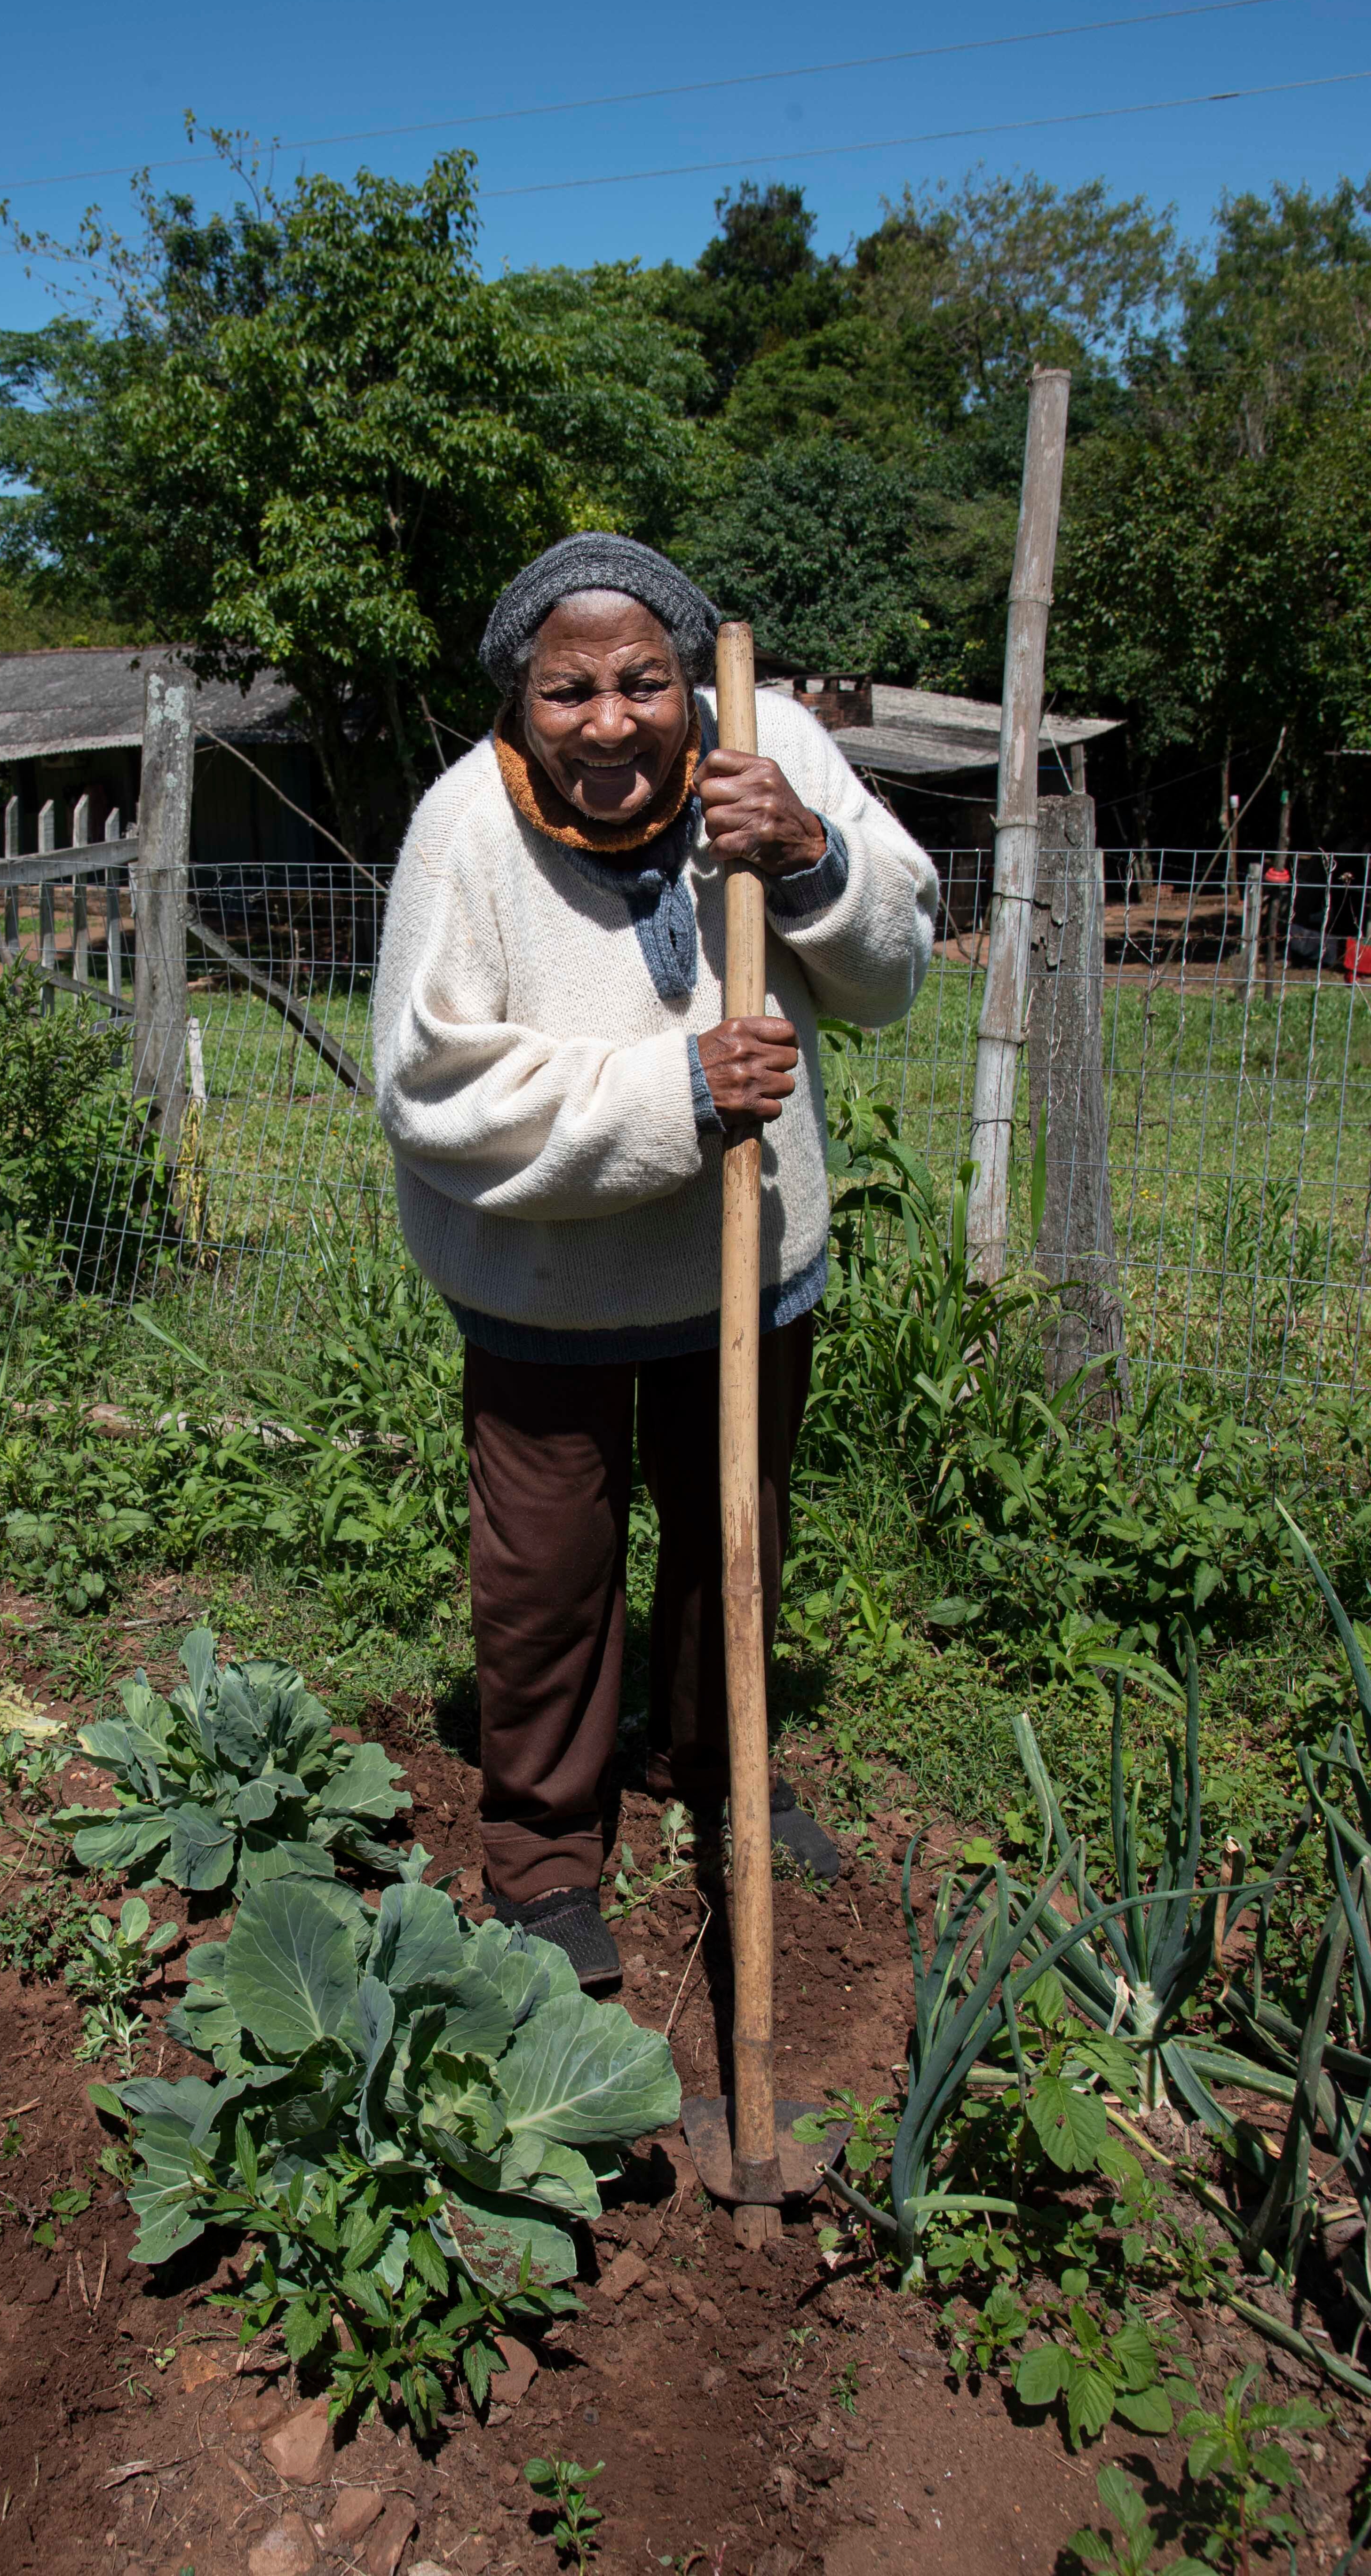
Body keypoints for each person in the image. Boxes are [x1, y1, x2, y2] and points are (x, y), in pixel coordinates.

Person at [372, 533, 937, 1989]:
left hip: (746, 1263)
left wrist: (809, 854)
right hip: (544, 1287)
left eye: (642, 683)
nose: (610, 722)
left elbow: (893, 974)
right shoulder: (464, 834)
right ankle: (548, 1852)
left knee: (731, 1548)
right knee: (549, 1575)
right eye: (569, 693)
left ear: (689, 678)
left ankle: (723, 1770)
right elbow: (436, 1091)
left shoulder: (768, 746)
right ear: (522, 699)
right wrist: (675, 1094)